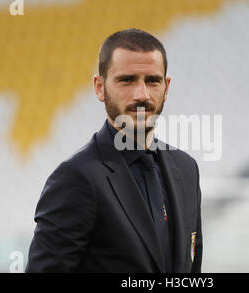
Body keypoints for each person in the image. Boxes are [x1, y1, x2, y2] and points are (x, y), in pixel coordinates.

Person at [26, 28, 203, 273]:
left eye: (152, 80)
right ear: (100, 87)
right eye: (127, 80)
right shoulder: (76, 179)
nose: (142, 95)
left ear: (166, 87)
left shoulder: (186, 169)